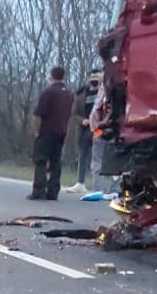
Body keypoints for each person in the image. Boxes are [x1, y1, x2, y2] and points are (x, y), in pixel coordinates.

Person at [28, 66, 76, 201]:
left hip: (47, 131)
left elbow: (38, 114)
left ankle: (39, 190)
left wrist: (37, 131)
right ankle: (53, 191)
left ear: (51, 76)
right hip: (61, 132)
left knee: (41, 160)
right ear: (63, 77)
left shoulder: (48, 92)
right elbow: (69, 116)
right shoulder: (69, 95)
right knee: (56, 162)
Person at [76, 67, 102, 189]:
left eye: (97, 77)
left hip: (98, 128)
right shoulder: (81, 94)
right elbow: (74, 113)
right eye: (93, 77)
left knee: (97, 156)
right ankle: (80, 182)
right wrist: (82, 121)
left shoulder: (104, 93)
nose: (94, 80)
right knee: (83, 154)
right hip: (85, 128)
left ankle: (98, 185)